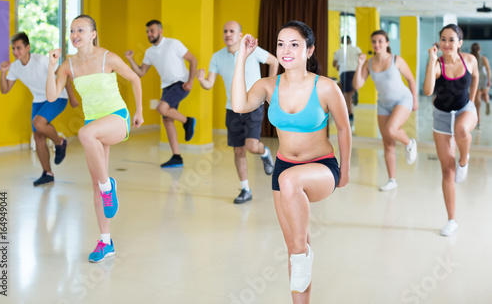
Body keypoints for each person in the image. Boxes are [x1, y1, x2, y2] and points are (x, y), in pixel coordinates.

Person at [231, 21, 351, 303]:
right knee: (295, 249)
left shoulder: (326, 88)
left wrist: (345, 169)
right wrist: (241, 57)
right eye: (281, 44)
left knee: (290, 185)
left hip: (321, 168)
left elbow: (343, 128)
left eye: (294, 44)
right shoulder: (268, 86)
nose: (286, 50)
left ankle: (301, 251)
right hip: (284, 168)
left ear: (309, 50)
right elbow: (239, 105)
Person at [46, 14, 144, 262]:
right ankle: (105, 241)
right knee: (94, 183)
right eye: (71, 31)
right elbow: (50, 96)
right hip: (94, 125)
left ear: (93, 34)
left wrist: (140, 111)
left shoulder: (107, 57)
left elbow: (134, 78)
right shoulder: (68, 65)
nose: (75, 35)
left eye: (80, 30)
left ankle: (107, 186)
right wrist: (51, 66)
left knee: (85, 133)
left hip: (116, 119)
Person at [196, 20, 279, 204]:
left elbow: (274, 60)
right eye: (225, 31)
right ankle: (245, 189)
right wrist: (202, 80)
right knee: (239, 151)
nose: (228, 34)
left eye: (232, 31)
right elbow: (209, 84)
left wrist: (269, 85)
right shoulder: (217, 57)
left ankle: (264, 152)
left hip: (254, 105)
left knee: (251, 146)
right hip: (232, 109)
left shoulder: (251, 50)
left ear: (240, 35)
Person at [0, 32, 78, 186]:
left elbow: (63, 74)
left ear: (28, 47)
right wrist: (3, 73)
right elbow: (5, 89)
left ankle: (59, 142)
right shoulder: (15, 67)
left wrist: (72, 97)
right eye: (13, 48)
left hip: (56, 96)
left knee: (38, 123)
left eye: (19, 48)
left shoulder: (41, 60)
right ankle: (47, 173)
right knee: (38, 136)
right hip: (39, 100)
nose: (16, 52)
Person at [423, 24, 478, 237]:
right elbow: (428, 90)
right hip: (442, 116)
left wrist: (472, 102)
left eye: (451, 40)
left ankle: (464, 160)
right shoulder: (437, 65)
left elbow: (474, 79)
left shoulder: (469, 60)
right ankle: (451, 220)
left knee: (462, 130)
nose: (447, 44)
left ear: (459, 42)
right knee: (447, 171)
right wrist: (430, 60)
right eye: (443, 39)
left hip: (465, 110)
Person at [125, 20, 197, 168]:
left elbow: (193, 59)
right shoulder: (149, 52)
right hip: (167, 87)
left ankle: (187, 121)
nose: (149, 34)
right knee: (167, 120)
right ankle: (176, 157)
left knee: (162, 108)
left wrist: (190, 81)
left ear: (160, 31)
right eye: (147, 32)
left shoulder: (173, 44)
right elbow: (141, 72)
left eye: (152, 31)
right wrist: (130, 59)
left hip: (180, 82)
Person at [353, 30, 418, 191]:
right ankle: (392, 180)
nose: (377, 44)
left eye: (380, 41)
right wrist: (359, 64)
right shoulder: (369, 63)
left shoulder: (397, 60)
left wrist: (415, 99)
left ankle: (410, 143)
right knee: (387, 142)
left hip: (403, 100)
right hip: (383, 104)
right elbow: (357, 85)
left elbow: (410, 79)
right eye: (374, 41)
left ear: (387, 43)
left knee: (391, 129)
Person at [333, 36, 362, 129]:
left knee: (346, 93)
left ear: (342, 42)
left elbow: (334, 64)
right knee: (351, 91)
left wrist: (338, 64)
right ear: (351, 41)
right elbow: (361, 57)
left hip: (344, 71)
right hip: (354, 70)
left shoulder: (338, 51)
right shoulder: (356, 49)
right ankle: (354, 93)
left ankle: (350, 112)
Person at [470, 43, 491, 128]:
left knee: (477, 101)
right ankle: (487, 101)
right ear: (480, 49)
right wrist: (489, 80)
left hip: (476, 78)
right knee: (484, 94)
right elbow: (488, 69)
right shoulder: (483, 58)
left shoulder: (471, 58)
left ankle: (479, 123)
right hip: (483, 78)